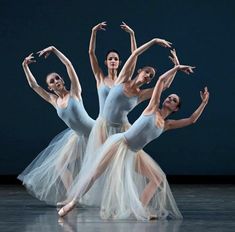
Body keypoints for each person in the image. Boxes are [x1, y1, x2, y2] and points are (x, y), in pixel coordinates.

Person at [59, 43, 209, 220]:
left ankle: (140, 208)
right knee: (96, 173)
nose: (169, 98)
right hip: (120, 142)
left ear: (176, 108)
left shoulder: (166, 124)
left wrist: (204, 103)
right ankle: (73, 202)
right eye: (147, 73)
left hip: (134, 151)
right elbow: (161, 81)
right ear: (139, 71)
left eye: (173, 100)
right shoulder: (152, 107)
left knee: (158, 178)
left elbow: (191, 119)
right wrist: (159, 48)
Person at [80, 37, 172, 206]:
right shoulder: (115, 79)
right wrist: (153, 41)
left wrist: (175, 68)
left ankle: (117, 201)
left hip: (122, 128)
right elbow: (134, 54)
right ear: (139, 71)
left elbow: (163, 86)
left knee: (119, 167)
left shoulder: (140, 94)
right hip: (103, 125)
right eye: (147, 73)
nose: (148, 76)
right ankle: (78, 197)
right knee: (99, 165)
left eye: (151, 76)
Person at [18, 46, 94, 205]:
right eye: (52, 81)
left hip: (95, 132)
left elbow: (69, 66)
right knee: (61, 164)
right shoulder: (54, 101)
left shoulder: (75, 92)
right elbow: (34, 86)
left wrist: (54, 50)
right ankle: (72, 196)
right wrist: (24, 66)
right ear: (49, 87)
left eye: (57, 78)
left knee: (102, 167)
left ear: (62, 80)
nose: (56, 81)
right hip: (79, 137)